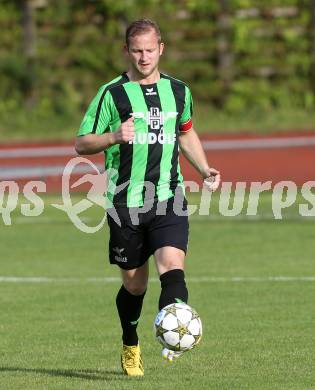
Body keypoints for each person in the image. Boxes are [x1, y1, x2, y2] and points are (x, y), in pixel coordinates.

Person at [75, 18, 220, 376]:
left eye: (150, 50)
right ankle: (130, 341)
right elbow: (81, 143)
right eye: (137, 50)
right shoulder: (112, 93)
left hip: (169, 196)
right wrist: (111, 137)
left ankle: (175, 335)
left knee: (172, 267)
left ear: (161, 49)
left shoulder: (180, 92)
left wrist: (204, 168)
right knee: (135, 284)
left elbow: (185, 133)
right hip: (126, 202)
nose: (143, 57)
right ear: (127, 50)